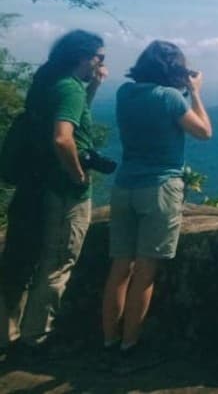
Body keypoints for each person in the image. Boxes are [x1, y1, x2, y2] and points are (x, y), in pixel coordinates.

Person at [101, 40, 211, 364]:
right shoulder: (170, 98)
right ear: (174, 69)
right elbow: (204, 132)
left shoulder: (124, 93)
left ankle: (108, 341)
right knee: (145, 271)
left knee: (120, 268)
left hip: (124, 187)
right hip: (159, 188)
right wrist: (196, 92)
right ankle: (129, 346)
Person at [0, 29, 107, 355]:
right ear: (84, 57)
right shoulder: (68, 88)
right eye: (99, 57)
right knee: (58, 262)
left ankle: (8, 335)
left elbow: (70, 118)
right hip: (62, 191)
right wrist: (78, 176)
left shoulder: (49, 82)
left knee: (19, 259)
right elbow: (63, 138)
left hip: (35, 187)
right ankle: (38, 338)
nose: (101, 63)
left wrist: (93, 89)